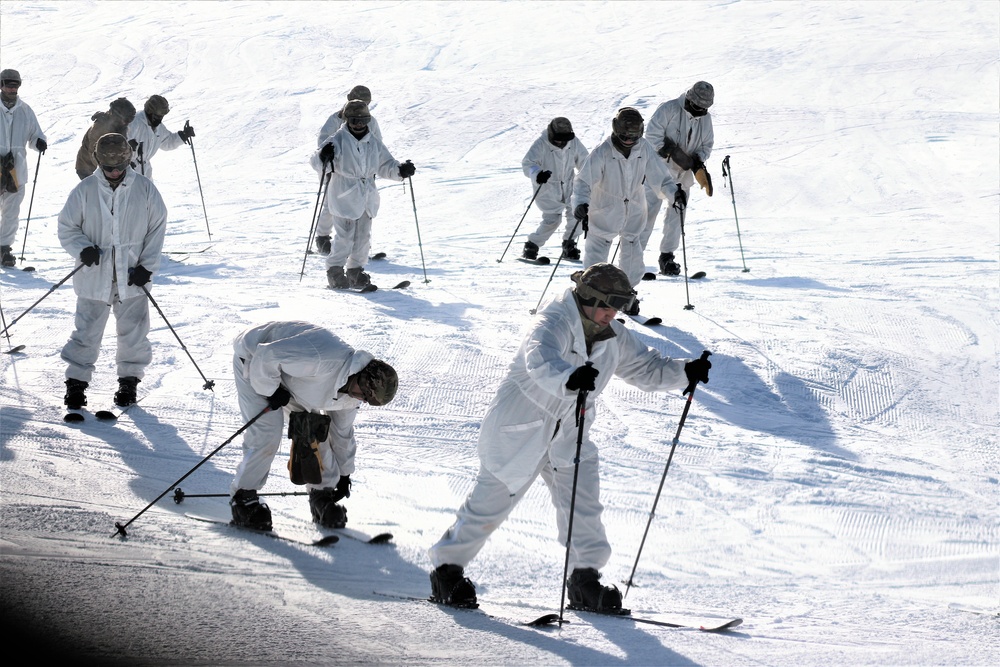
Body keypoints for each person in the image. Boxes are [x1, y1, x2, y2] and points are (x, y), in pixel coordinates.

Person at [427, 263, 712, 610]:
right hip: (521, 428)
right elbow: (540, 360)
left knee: (584, 505)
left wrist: (685, 372)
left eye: (619, 307)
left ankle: (584, 580)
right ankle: (446, 572)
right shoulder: (552, 322)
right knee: (489, 505)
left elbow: (646, 367)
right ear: (588, 299)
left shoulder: (611, 335)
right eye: (608, 305)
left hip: (571, 432)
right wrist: (569, 378)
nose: (613, 313)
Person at [229, 321, 398, 531]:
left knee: (313, 430)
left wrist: (344, 474)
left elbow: (342, 433)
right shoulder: (321, 359)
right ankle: (243, 498)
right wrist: (272, 391)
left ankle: (321, 494)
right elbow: (268, 355)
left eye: (366, 400)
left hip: (290, 377)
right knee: (267, 432)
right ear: (361, 378)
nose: (361, 400)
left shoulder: (353, 394)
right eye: (364, 394)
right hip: (254, 359)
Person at [58, 133, 168, 410]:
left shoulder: (145, 189)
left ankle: (128, 382)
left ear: (128, 159)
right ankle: (76, 384)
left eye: (119, 167)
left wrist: (147, 267)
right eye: (109, 168)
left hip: (133, 276)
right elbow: (67, 227)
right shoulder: (85, 190)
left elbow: (157, 230)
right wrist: (82, 248)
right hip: (94, 275)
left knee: (133, 332)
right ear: (99, 162)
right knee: (87, 331)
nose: (115, 172)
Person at [572, 108, 674, 316]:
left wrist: (674, 193)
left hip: (634, 210)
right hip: (604, 211)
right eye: (624, 136)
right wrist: (581, 203)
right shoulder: (602, 152)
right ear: (615, 130)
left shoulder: (643, 148)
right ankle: (590, 298)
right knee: (596, 259)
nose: (629, 140)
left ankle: (627, 296)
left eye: (634, 136)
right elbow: (583, 181)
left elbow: (660, 176)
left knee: (633, 258)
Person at [310, 100, 413, 290]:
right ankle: (335, 271)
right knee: (345, 237)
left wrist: (401, 171)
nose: (359, 124)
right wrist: (323, 156)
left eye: (363, 120)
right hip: (343, 195)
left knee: (363, 237)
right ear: (347, 120)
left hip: (367, 196)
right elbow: (316, 160)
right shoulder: (337, 139)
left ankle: (355, 272)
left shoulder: (373, 141)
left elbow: (385, 165)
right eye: (355, 120)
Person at [641, 81, 715, 276]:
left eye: (705, 108)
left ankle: (667, 257)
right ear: (689, 99)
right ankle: (633, 258)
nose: (701, 111)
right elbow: (652, 135)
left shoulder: (705, 119)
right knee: (646, 215)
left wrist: (698, 162)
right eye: (698, 106)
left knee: (677, 216)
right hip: (657, 172)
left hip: (684, 175)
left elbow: (707, 145)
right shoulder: (669, 109)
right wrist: (672, 152)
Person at [312, 85, 383, 255]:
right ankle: (322, 237)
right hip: (337, 169)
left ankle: (360, 244)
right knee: (331, 204)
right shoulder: (336, 118)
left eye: (366, 102)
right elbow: (323, 142)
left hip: (361, 172)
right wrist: (328, 156)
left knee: (362, 206)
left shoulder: (370, 120)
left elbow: (377, 142)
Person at [520, 117, 589, 262]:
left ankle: (569, 244)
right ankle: (532, 245)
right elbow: (528, 163)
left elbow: (584, 161)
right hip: (548, 187)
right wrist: (537, 174)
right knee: (552, 220)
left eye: (564, 139)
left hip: (570, 185)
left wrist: (589, 177)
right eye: (558, 139)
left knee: (576, 216)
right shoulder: (541, 143)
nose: (561, 142)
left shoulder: (573, 142)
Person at [0, 68, 47, 268]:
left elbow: (36, 134)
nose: (12, 88)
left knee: (12, 210)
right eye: (8, 83)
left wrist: (39, 142)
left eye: (15, 84)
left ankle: (3, 248)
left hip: (15, 170)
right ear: (1, 84)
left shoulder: (25, 110)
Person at [126, 94, 194, 180]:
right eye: (157, 116)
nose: (160, 119)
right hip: (129, 170)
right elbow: (122, 144)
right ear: (149, 111)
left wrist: (183, 136)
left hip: (145, 171)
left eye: (162, 116)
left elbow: (167, 142)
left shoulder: (158, 127)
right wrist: (126, 164)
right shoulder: (135, 123)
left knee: (150, 193)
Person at [75, 97, 136, 180]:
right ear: (116, 115)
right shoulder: (100, 128)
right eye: (126, 119)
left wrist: (127, 155)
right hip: (88, 168)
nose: (126, 123)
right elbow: (94, 155)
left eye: (130, 120)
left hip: (108, 166)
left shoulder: (120, 126)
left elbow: (118, 148)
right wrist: (116, 168)